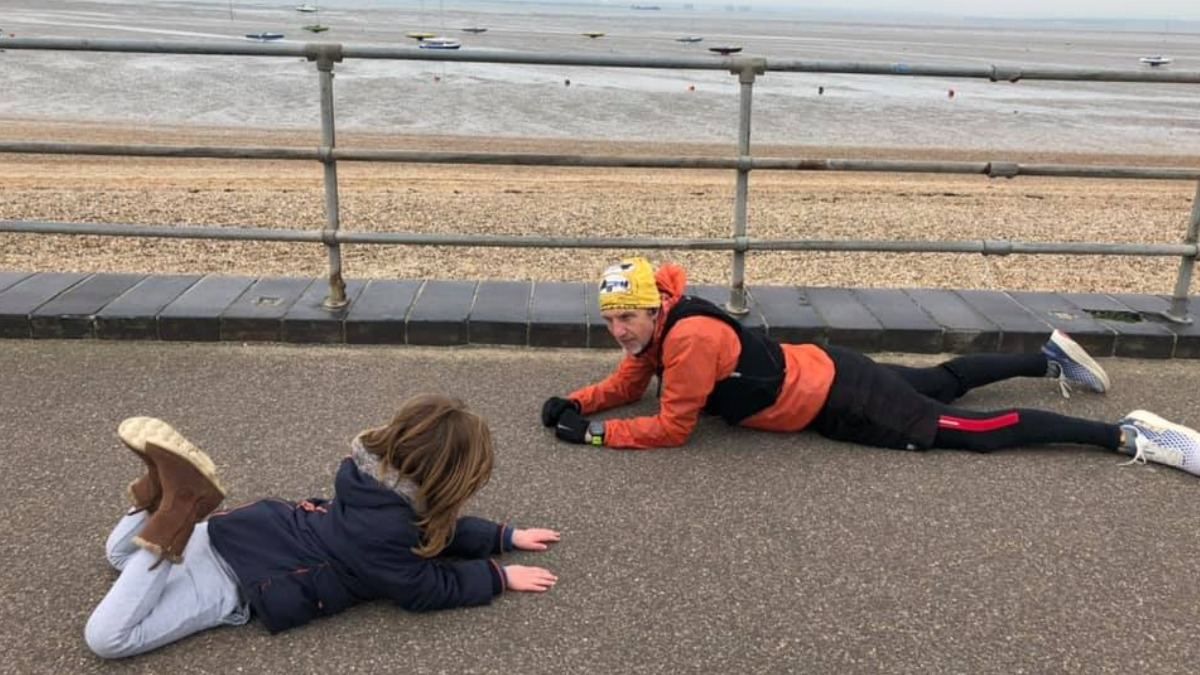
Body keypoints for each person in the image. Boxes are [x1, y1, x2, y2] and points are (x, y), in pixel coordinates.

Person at [541, 256, 1200, 476]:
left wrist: (596, 434)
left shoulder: (688, 342)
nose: (617, 329)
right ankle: (1045, 354)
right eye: (610, 319)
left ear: (653, 307)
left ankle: (1127, 434)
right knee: (940, 380)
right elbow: (631, 379)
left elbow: (672, 426)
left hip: (840, 400)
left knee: (973, 429)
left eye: (624, 317)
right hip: (826, 365)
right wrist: (579, 402)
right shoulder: (665, 321)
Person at [86, 395, 560, 659]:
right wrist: (496, 576)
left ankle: (161, 499)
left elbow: (435, 532)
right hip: (237, 578)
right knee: (108, 639)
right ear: (446, 480)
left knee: (122, 556)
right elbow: (423, 586)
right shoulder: (387, 536)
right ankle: (176, 513)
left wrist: (502, 537)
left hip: (232, 532)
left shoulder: (365, 481)